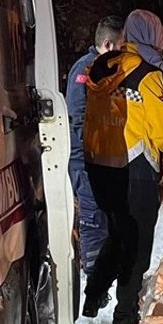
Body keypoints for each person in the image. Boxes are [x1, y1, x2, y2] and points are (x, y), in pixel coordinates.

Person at [81, 9, 163, 324]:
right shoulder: (147, 71)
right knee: (136, 244)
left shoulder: (106, 65)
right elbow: (160, 125)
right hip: (135, 165)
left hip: (103, 164)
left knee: (118, 234)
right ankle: (125, 318)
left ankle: (93, 295)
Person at [67, 16, 124, 270]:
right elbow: (78, 119)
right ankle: (93, 277)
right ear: (109, 44)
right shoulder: (84, 72)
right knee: (92, 219)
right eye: (122, 45)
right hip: (87, 161)